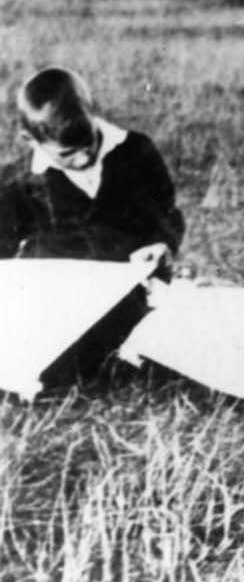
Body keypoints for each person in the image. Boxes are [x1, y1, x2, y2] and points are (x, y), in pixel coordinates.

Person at [0, 67, 184, 382]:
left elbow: (165, 212)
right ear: (30, 139)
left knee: (164, 339)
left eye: (89, 141)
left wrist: (160, 244)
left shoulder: (134, 152)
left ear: (93, 114)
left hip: (129, 289)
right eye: (68, 153)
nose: (84, 157)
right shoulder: (20, 181)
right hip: (62, 303)